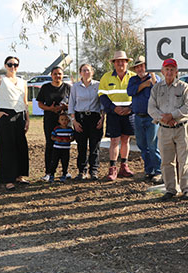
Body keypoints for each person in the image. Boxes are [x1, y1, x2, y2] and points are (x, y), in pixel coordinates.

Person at [148, 58, 188, 201]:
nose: (169, 72)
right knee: (167, 161)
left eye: (172, 69)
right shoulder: (156, 88)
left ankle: (187, 190)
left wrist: (172, 115)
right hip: (164, 129)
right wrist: (164, 118)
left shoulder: (184, 87)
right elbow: (151, 108)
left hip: (182, 128)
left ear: (176, 72)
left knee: (185, 160)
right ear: (162, 71)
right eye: (167, 69)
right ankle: (170, 189)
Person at [0, 56, 30, 190]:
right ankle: (8, 179)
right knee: (7, 147)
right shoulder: (0, 79)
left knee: (20, 146)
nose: (13, 67)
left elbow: (25, 102)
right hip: (5, 115)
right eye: (10, 64)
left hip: (20, 115)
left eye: (15, 65)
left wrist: (27, 119)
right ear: (5, 65)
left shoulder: (23, 82)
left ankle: (19, 176)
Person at [98, 50, 136, 181]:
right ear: (114, 63)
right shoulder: (106, 77)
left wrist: (130, 108)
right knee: (114, 141)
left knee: (126, 140)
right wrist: (113, 108)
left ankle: (124, 166)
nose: (120, 63)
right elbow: (102, 96)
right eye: (117, 61)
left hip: (129, 113)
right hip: (113, 114)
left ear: (126, 63)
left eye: (123, 61)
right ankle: (112, 168)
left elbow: (138, 95)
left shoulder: (133, 76)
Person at [127, 56, 162, 183]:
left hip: (152, 117)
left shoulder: (154, 78)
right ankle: (149, 170)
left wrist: (151, 77)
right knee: (142, 145)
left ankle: (158, 171)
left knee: (153, 145)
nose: (140, 68)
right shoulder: (133, 80)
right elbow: (130, 91)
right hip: (138, 116)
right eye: (137, 67)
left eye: (142, 66)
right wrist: (143, 85)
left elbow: (158, 89)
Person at [68, 63, 103, 181]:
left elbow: (102, 103)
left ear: (92, 72)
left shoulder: (98, 85)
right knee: (81, 146)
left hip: (95, 118)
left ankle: (94, 171)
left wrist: (102, 118)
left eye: (88, 70)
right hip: (80, 118)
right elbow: (71, 103)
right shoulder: (75, 87)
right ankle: (82, 171)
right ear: (80, 73)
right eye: (84, 70)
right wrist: (74, 121)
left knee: (95, 146)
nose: (86, 72)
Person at [37, 66, 71, 181]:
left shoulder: (67, 87)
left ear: (63, 75)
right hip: (50, 119)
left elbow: (73, 102)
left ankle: (65, 171)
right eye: (55, 74)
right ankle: (49, 172)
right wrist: (50, 108)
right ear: (51, 75)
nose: (57, 76)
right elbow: (40, 103)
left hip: (64, 121)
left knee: (64, 145)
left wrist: (67, 107)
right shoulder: (46, 87)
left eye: (60, 74)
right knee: (50, 144)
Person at [49, 112, 75, 182]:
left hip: (66, 149)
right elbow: (52, 137)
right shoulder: (57, 129)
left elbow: (72, 138)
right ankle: (51, 175)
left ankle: (64, 174)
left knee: (65, 162)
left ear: (68, 121)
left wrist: (69, 140)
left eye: (66, 120)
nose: (64, 121)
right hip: (57, 148)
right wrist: (57, 139)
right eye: (62, 120)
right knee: (54, 162)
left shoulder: (70, 129)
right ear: (59, 121)